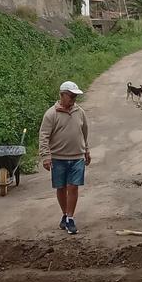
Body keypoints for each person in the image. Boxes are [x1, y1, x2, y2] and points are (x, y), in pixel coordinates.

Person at [39, 81, 90, 235]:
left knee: (73, 187)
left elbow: (84, 132)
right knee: (61, 188)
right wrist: (46, 156)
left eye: (75, 96)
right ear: (62, 95)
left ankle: (70, 218)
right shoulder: (51, 114)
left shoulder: (80, 112)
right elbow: (44, 136)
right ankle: (65, 214)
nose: (73, 99)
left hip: (77, 156)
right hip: (58, 158)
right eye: (71, 96)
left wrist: (86, 150)